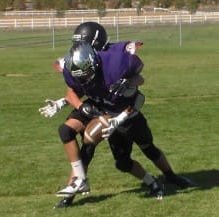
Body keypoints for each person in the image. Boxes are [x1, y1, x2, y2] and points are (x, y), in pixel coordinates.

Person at [40, 23, 194, 208]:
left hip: (122, 111)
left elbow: (138, 93)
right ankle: (75, 186)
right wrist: (68, 103)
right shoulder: (76, 61)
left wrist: (126, 90)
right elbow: (73, 90)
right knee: (74, 137)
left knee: (138, 153)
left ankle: (169, 176)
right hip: (97, 104)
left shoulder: (115, 63)